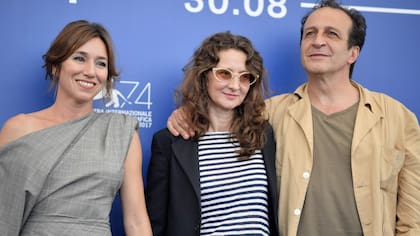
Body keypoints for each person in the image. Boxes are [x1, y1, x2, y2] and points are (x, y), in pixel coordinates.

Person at [167, 0, 420, 235]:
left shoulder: (396, 117)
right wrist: (186, 113)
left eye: (331, 34)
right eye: (310, 33)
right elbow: (218, 114)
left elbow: (413, 218)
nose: (317, 41)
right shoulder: (269, 114)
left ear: (353, 53)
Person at [0, 20, 152, 236]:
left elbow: (136, 221)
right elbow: (4, 215)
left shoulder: (121, 132)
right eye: (79, 58)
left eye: (101, 63)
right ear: (56, 66)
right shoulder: (19, 129)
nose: (90, 72)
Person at [146, 32, 279, 236]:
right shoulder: (170, 142)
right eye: (225, 73)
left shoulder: (265, 134)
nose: (235, 86)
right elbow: (156, 223)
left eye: (245, 77)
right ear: (204, 75)